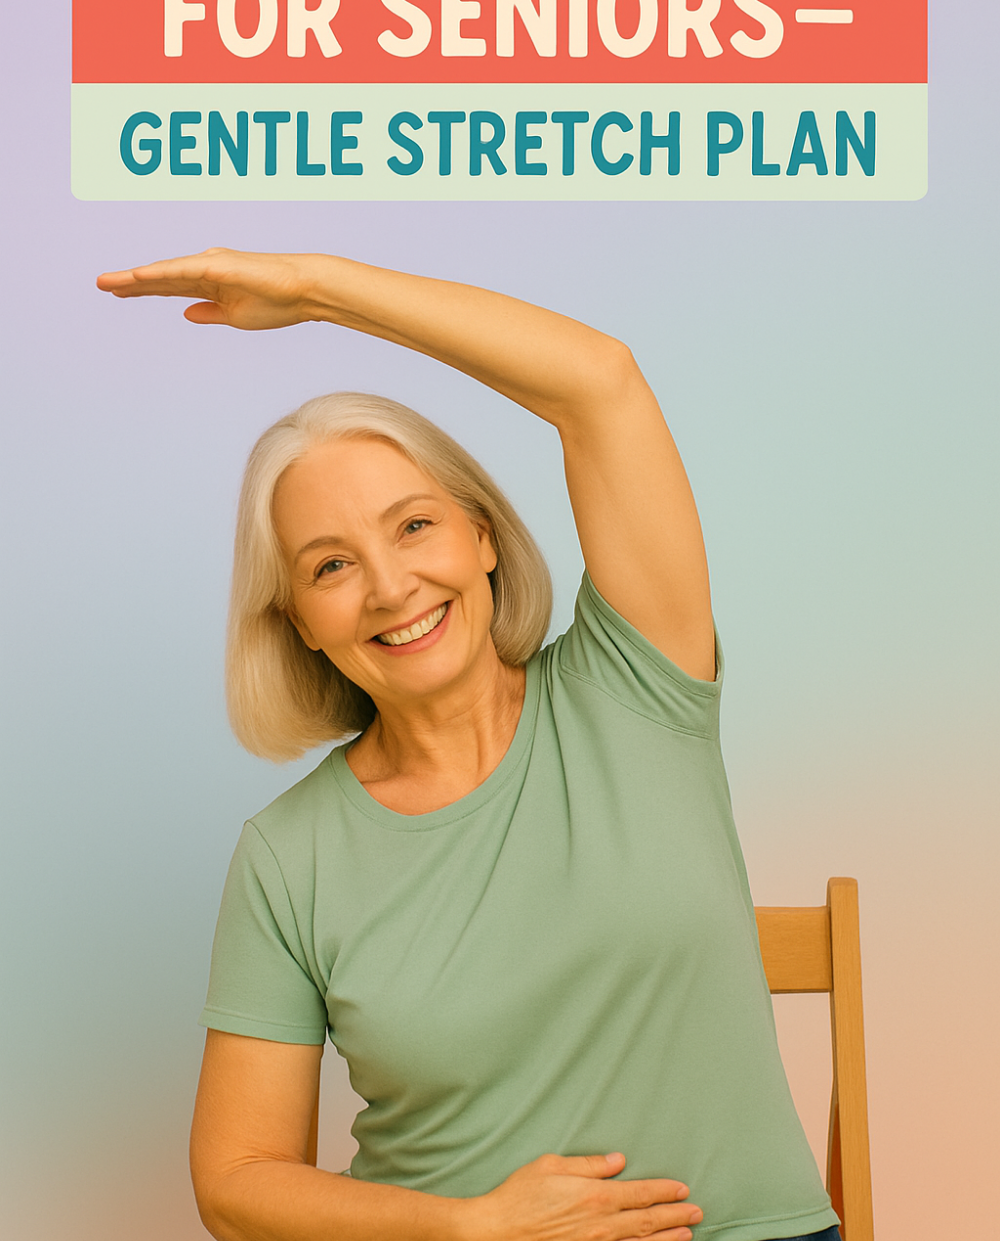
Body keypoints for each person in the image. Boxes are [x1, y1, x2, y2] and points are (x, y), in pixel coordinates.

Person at [97, 248, 843, 1241]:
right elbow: (236, 1177)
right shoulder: (288, 857)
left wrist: (318, 292)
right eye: (331, 567)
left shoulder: (636, 688)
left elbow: (600, 383)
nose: (391, 587)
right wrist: (472, 1226)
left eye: (413, 526)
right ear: (298, 625)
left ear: (483, 535)